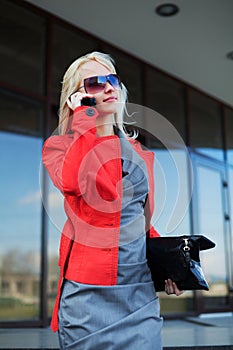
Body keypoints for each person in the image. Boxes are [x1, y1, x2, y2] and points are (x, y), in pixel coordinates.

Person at [42, 51, 183, 349]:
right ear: (75, 98)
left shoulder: (139, 152)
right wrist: (87, 118)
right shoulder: (59, 147)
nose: (108, 87)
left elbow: (138, 220)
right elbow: (93, 185)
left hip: (139, 292)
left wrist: (167, 261)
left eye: (112, 80)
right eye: (94, 83)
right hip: (89, 296)